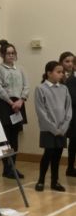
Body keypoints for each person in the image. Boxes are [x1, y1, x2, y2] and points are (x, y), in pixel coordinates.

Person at [0, 39, 29, 179]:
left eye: (13, 53)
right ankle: (6, 167)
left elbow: (26, 86)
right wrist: (11, 102)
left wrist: (21, 100)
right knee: (5, 138)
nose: (11, 55)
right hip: (4, 105)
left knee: (14, 137)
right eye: (8, 53)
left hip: (18, 104)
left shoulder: (20, 69)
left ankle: (13, 166)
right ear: (2, 55)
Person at [34, 61, 72, 192]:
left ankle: (55, 181)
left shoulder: (64, 89)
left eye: (62, 72)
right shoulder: (40, 89)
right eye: (58, 72)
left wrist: (64, 127)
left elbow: (68, 110)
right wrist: (54, 129)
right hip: (48, 129)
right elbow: (41, 112)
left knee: (57, 155)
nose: (61, 74)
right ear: (49, 73)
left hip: (62, 129)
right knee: (48, 154)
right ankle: (41, 180)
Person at [59, 51, 76, 176]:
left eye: (72, 61)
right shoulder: (63, 78)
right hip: (66, 114)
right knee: (67, 142)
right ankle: (69, 168)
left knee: (74, 141)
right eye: (67, 61)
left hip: (72, 113)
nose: (70, 64)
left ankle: (70, 167)